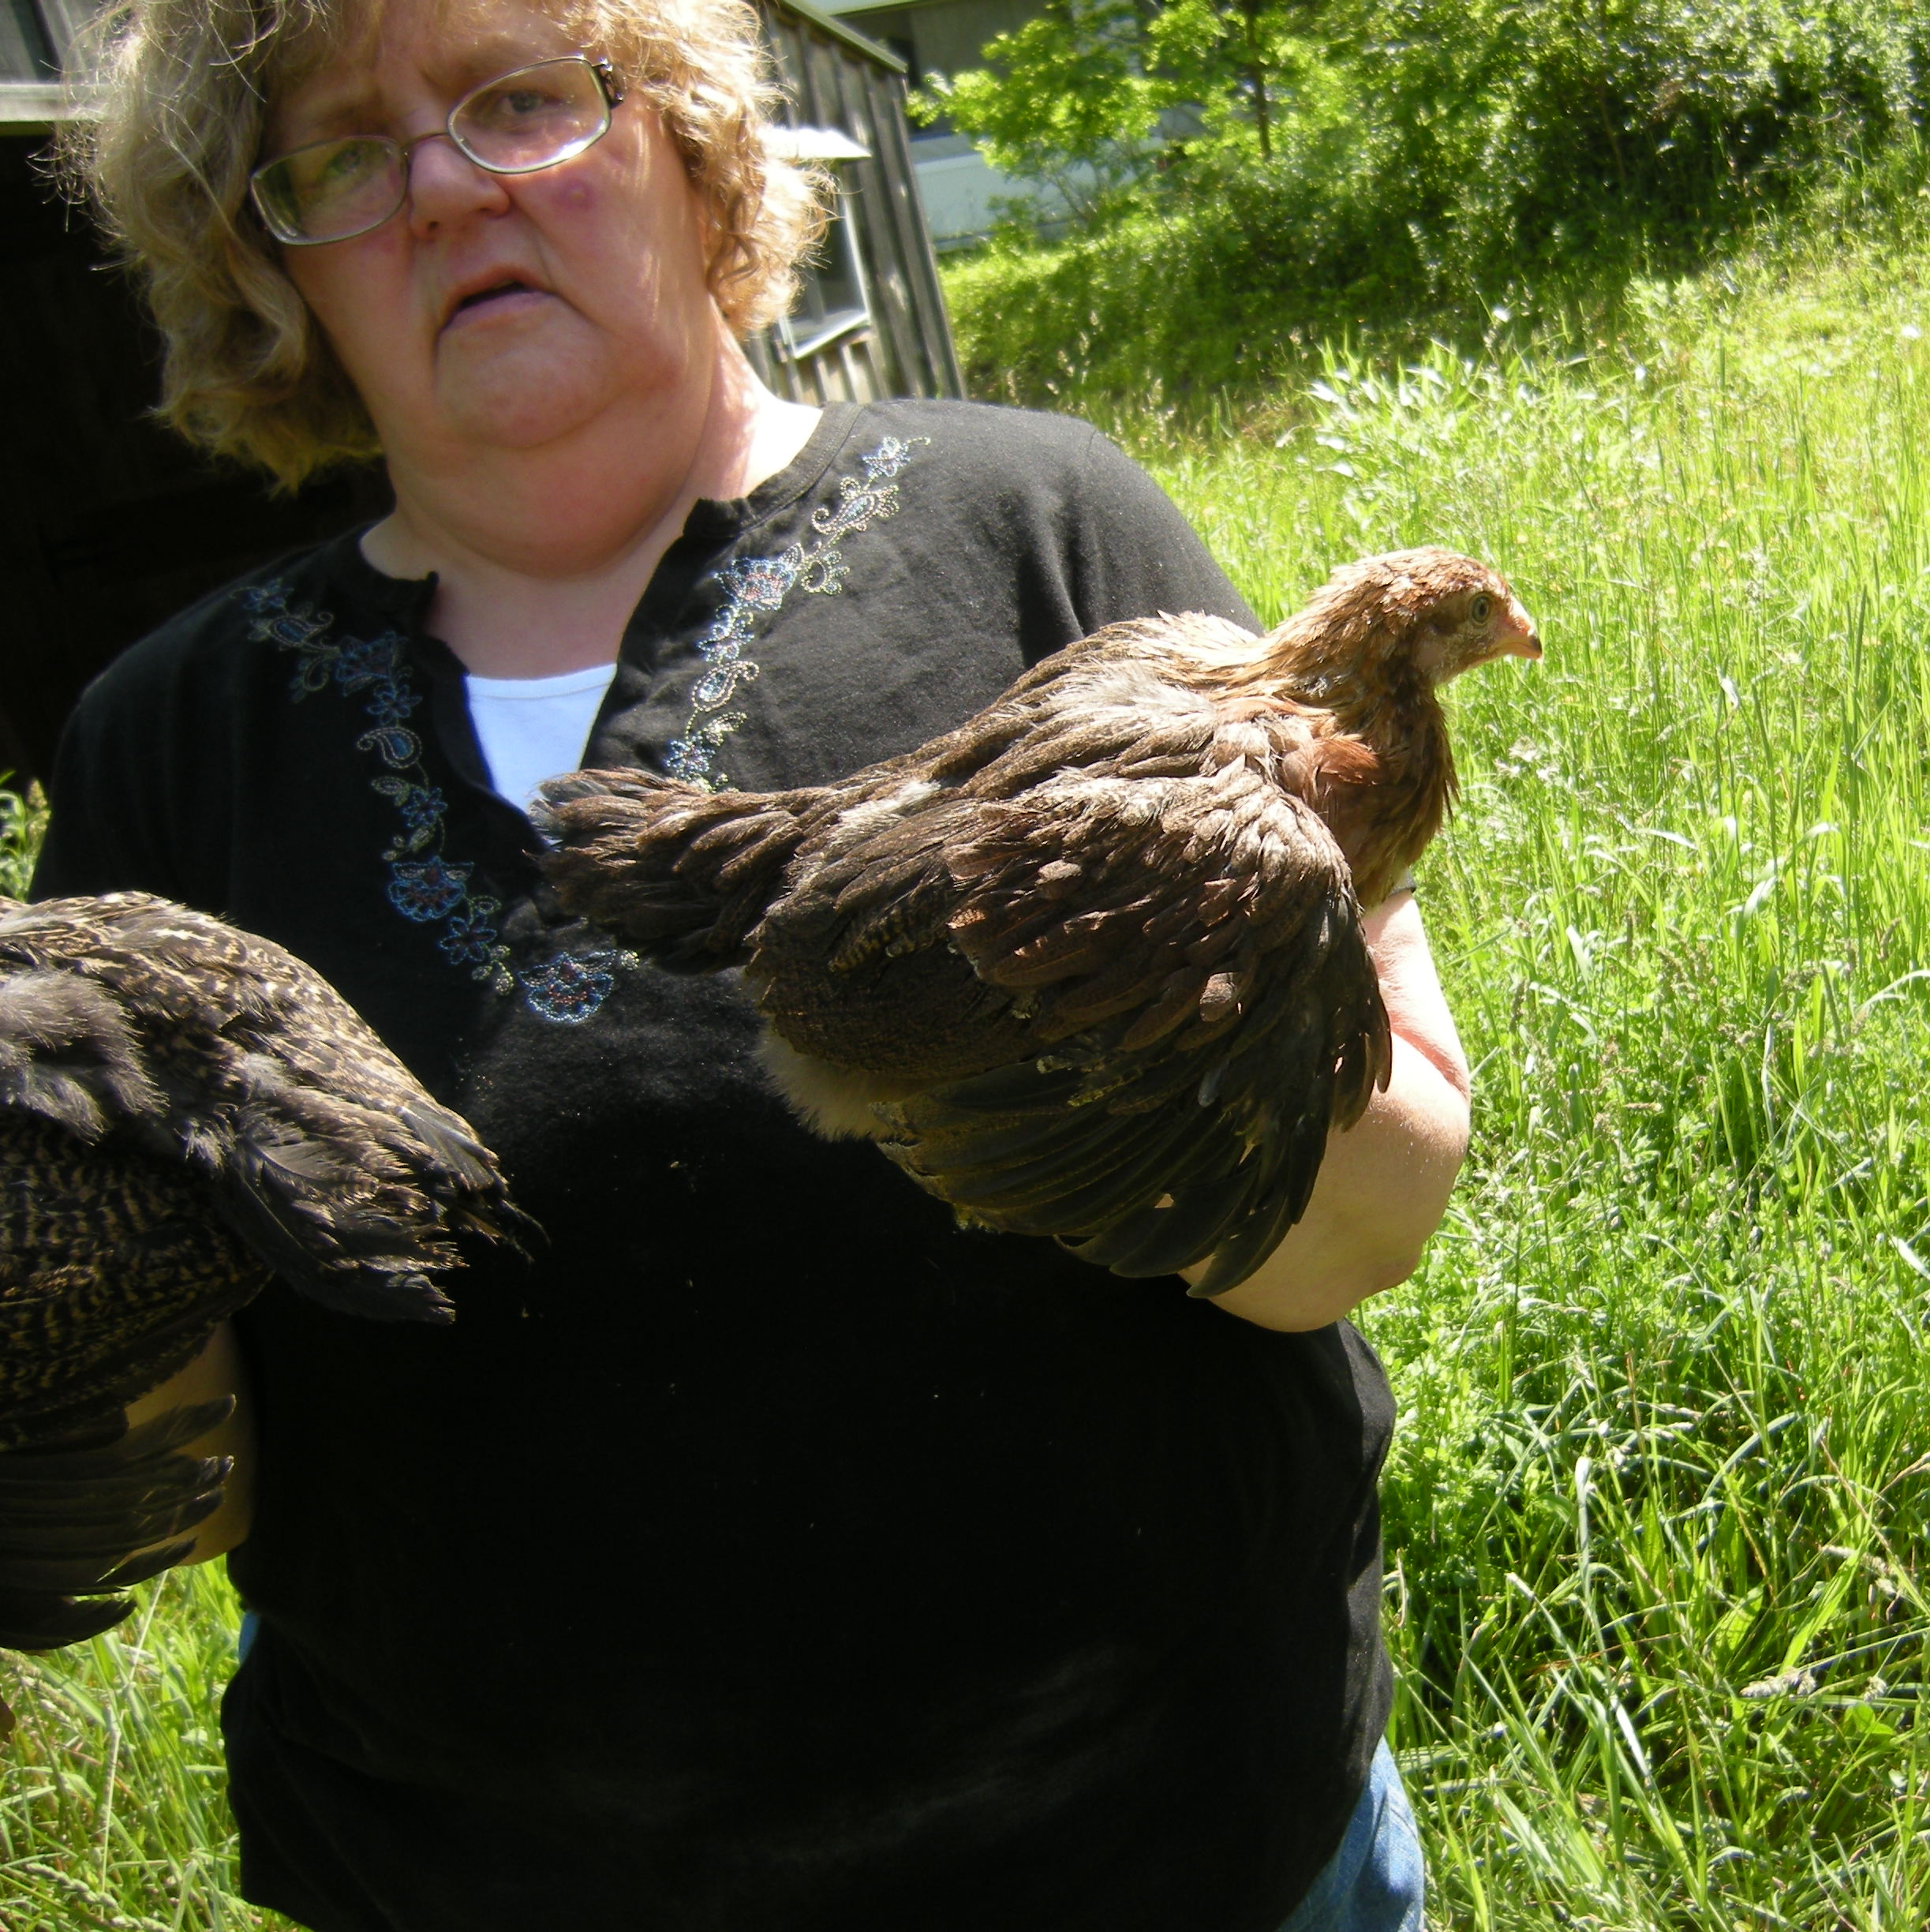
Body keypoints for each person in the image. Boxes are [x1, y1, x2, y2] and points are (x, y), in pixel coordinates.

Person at [24, 0, 1472, 1923]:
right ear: (263, 267)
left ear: (691, 146)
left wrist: (1107, 1005)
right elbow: (180, 1456)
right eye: (343, 158)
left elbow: (1365, 1223)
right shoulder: (167, 737)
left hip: (1176, 1840)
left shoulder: (1038, 523)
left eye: (518, 98)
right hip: (490, 1877)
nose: (447, 187)